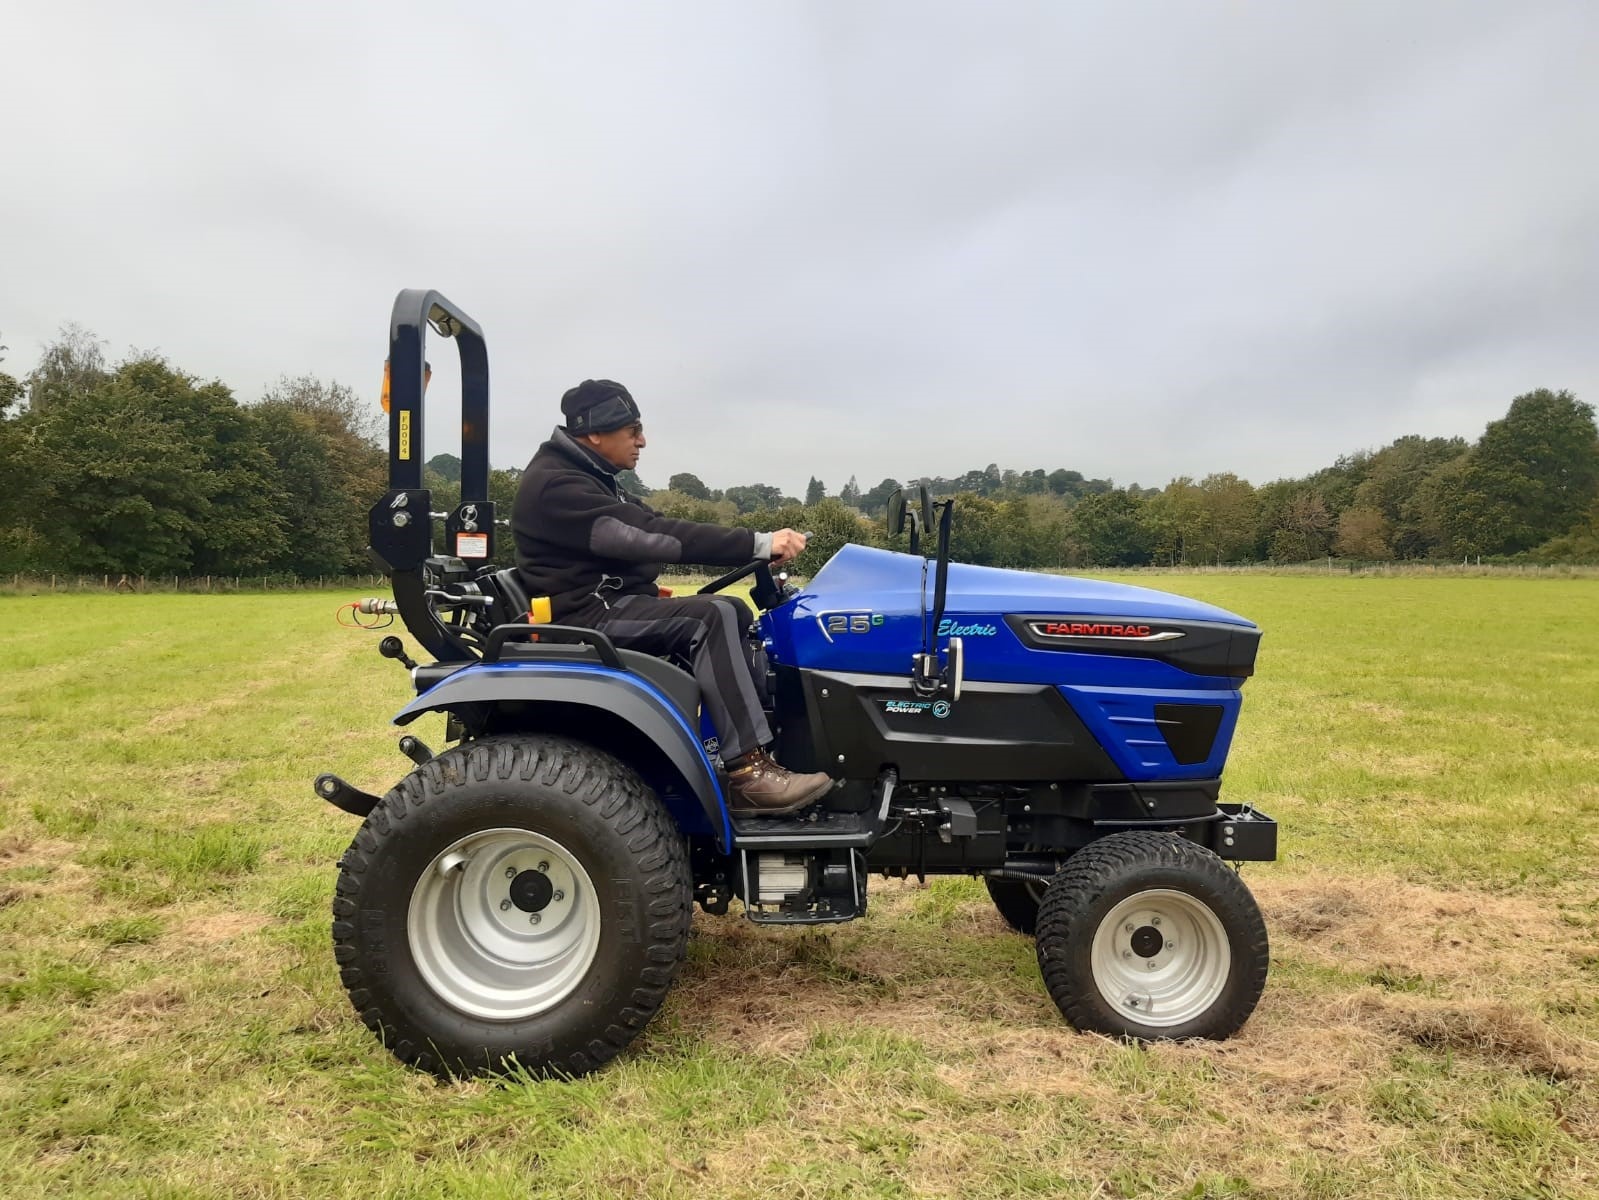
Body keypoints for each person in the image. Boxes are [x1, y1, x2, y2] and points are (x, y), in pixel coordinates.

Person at [511, 378, 835, 816]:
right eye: (632, 431)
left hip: (608, 605)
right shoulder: (558, 485)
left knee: (735, 609)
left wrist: (749, 548)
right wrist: (758, 542)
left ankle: (755, 746)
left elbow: (652, 522)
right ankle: (748, 774)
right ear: (594, 433)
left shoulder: (592, 477)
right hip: (589, 615)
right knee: (710, 617)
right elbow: (648, 536)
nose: (642, 441)